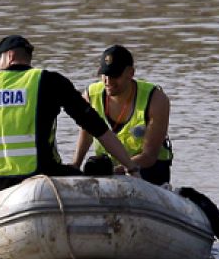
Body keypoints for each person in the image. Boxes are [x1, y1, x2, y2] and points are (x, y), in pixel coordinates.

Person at [0, 35, 142, 192]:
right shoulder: (48, 81)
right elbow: (95, 125)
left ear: (9, 56)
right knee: (98, 168)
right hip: (40, 179)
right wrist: (131, 167)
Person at [71, 45, 174, 185]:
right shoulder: (90, 95)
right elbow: (86, 134)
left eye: (115, 75)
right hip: (110, 169)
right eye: (105, 75)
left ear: (130, 73)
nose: (108, 81)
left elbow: (149, 156)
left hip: (148, 169)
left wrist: (117, 171)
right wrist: (75, 166)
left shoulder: (156, 99)